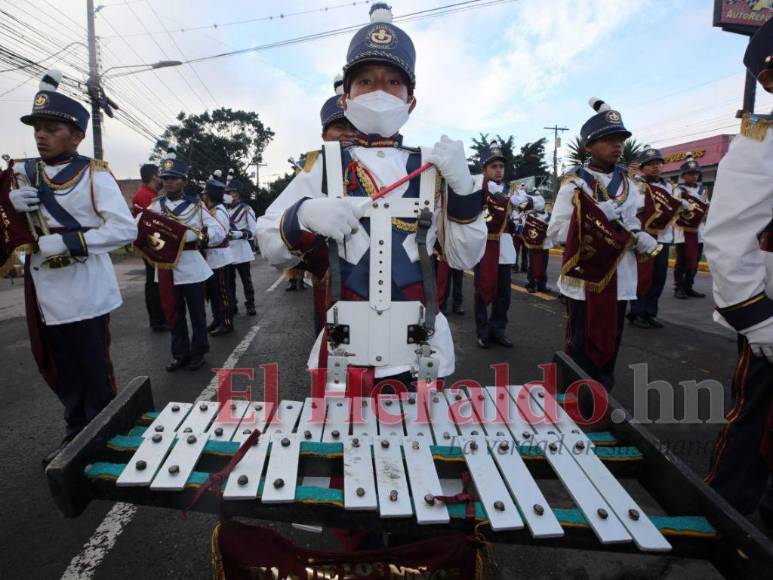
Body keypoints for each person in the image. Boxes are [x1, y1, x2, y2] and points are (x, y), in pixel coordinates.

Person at [256, 2, 486, 389]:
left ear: (410, 101)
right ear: (346, 99)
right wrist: (304, 214)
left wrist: (464, 189)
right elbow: (269, 244)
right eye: (365, 81)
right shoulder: (326, 165)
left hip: (422, 352)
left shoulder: (433, 165)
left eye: (393, 81)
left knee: (423, 445)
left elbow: (466, 256)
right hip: (345, 358)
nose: (379, 90)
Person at [7, 69, 137, 464]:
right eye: (38, 130)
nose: (41, 136)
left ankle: (107, 437)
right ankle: (75, 434)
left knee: (95, 371)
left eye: (52, 129)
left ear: (77, 135)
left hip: (85, 291)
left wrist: (67, 240)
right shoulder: (22, 175)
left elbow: (123, 229)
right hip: (46, 292)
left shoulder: (93, 174)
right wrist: (9, 207)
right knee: (64, 371)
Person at [703, 18, 773, 525]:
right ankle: (727, 525)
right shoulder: (760, 146)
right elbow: (727, 243)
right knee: (755, 429)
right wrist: (762, 323)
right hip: (772, 319)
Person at [547, 98, 658, 391]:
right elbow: (557, 231)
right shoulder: (574, 183)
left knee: (610, 340)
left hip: (620, 276)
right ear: (589, 145)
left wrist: (640, 237)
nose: (617, 146)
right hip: (586, 279)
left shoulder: (630, 184)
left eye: (620, 140)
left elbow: (630, 223)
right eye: (608, 140)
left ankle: (601, 398)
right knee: (580, 343)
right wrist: (593, 220)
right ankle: (573, 399)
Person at [149, 150, 225, 372]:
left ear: (184, 180)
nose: (169, 182)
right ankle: (180, 353)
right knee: (173, 313)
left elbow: (217, 230)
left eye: (174, 178)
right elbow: (139, 229)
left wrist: (195, 235)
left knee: (197, 313)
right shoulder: (155, 206)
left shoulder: (196, 205)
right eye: (165, 178)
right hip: (165, 268)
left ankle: (199, 351)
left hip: (191, 266)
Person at [474, 146, 542, 348]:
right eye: (493, 166)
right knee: (483, 289)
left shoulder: (512, 191)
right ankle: (482, 331)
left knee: (503, 295)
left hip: (504, 248)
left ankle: (498, 329)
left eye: (501, 166)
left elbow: (536, 203)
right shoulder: (478, 189)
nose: (498, 170)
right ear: (485, 169)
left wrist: (521, 201)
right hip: (484, 246)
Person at [628, 148, 680, 328]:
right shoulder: (636, 185)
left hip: (663, 237)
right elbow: (634, 208)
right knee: (643, 277)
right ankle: (637, 312)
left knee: (659, 277)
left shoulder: (670, 187)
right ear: (643, 168)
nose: (656, 167)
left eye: (658, 163)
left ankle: (650, 313)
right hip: (644, 237)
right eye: (650, 164)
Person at [131, 163, 167, 331]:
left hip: (154, 243)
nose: (161, 178)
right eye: (160, 175)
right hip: (151, 244)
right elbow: (151, 223)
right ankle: (157, 320)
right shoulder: (145, 196)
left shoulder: (150, 194)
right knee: (153, 282)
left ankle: (160, 318)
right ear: (154, 176)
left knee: (156, 281)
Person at [673, 153, 709, 299]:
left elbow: (706, 207)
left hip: (698, 230)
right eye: (690, 174)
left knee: (695, 260)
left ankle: (689, 286)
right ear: (683, 175)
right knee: (682, 261)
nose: (693, 176)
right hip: (683, 230)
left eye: (696, 174)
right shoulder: (678, 190)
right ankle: (678, 287)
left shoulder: (702, 191)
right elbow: (675, 208)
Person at [203, 172, 235, 336]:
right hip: (212, 259)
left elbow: (219, 234)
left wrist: (202, 239)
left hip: (220, 258)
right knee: (213, 294)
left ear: (208, 196)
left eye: (205, 195)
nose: (203, 197)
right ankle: (217, 319)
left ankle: (227, 322)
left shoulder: (219, 212)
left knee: (223, 293)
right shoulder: (213, 210)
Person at [225, 176, 257, 317]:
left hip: (241, 249)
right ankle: (232, 304)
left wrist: (240, 234)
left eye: (233, 192)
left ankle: (250, 304)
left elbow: (254, 230)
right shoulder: (223, 210)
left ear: (238, 194)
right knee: (229, 282)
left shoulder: (246, 209)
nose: (231, 195)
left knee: (246, 280)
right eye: (228, 192)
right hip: (227, 251)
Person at [521, 190, 551, 294]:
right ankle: (532, 284)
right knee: (533, 265)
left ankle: (541, 285)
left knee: (543, 265)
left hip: (544, 244)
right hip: (533, 244)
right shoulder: (529, 215)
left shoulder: (548, 215)